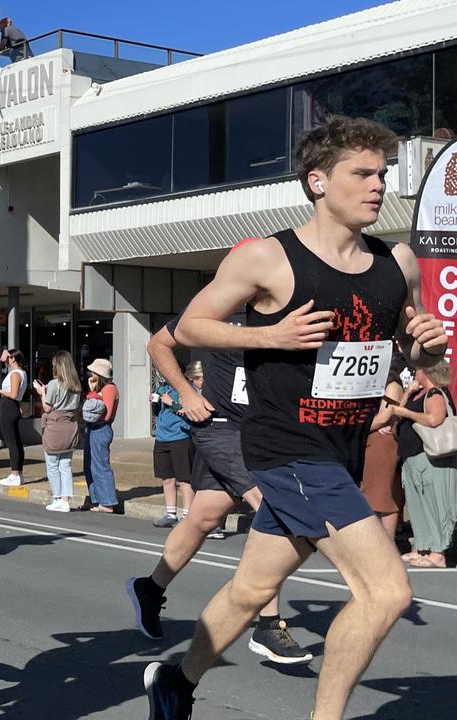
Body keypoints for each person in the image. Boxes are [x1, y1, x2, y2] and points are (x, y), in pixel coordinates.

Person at [145, 116, 446, 720]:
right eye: (361, 174)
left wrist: (425, 350)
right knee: (386, 592)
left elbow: (408, 349)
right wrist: (273, 335)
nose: (377, 185)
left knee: (254, 589)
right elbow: (185, 329)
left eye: (382, 174)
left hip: (344, 449)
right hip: (287, 446)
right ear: (317, 181)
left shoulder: (399, 264)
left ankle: (175, 681)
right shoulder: (268, 258)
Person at [131, 305, 312, 665]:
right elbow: (157, 345)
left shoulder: (282, 315)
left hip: (259, 430)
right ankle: (268, 623)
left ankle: (150, 588)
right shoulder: (210, 311)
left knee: (202, 518)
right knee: (271, 506)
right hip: (219, 427)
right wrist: (186, 393)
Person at [392, 362, 457, 568]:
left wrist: (408, 414)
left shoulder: (435, 394)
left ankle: (438, 552)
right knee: (418, 504)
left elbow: (435, 420)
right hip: (412, 457)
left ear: (427, 372)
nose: (414, 373)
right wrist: (405, 396)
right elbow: (397, 417)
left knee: (436, 504)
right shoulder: (417, 394)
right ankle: (423, 547)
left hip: (431, 457)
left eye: (417, 370)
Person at [360, 351, 407, 543]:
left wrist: (355, 431)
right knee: (372, 491)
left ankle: (386, 543)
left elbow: (383, 417)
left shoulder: (392, 386)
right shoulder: (380, 385)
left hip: (383, 442)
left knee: (381, 495)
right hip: (375, 439)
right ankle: (379, 541)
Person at [151, 362, 198, 527]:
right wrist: (155, 404)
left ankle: (187, 515)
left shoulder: (185, 390)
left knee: (184, 479)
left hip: (181, 437)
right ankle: (171, 513)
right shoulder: (162, 389)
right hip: (162, 438)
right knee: (167, 478)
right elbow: (158, 413)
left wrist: (172, 403)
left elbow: (190, 413)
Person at [34, 350, 81, 511]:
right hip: (70, 425)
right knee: (66, 465)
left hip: (55, 426)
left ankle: (57, 497)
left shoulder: (54, 384)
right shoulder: (76, 385)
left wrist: (42, 393)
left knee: (52, 465)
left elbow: (47, 407)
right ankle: (65, 500)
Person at [83, 359, 119, 512]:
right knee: (90, 465)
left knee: (100, 465)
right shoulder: (100, 389)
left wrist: (94, 395)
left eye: (93, 372)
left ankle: (107, 501)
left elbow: (107, 413)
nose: (90, 375)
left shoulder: (109, 389)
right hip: (93, 428)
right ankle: (96, 498)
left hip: (101, 428)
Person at [0, 348, 28, 486]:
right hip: (12, 407)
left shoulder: (15, 374)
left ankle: (15, 474)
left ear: (13, 359)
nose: (6, 360)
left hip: (9, 407)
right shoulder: (21, 373)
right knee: (16, 441)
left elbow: (13, 394)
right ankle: (18, 473)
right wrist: (4, 356)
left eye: (9, 358)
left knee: (12, 442)